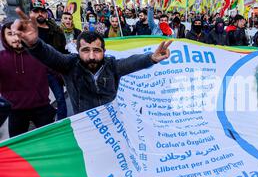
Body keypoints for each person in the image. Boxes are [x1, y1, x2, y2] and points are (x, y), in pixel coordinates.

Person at [12, 8, 173, 115]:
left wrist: (151, 58)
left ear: (104, 51)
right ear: (77, 50)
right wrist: (34, 43)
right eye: (85, 50)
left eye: (96, 50)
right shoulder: (70, 66)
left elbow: (131, 62)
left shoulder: (112, 66)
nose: (91, 56)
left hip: (111, 126)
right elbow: (49, 55)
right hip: (84, 130)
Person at [0, 21, 55, 137]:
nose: (16, 38)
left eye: (19, 33)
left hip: (42, 109)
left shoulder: (40, 54)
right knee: (19, 148)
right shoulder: (1, 58)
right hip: (15, 111)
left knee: (51, 143)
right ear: (4, 37)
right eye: (10, 34)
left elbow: (60, 69)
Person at [29, 0, 67, 120]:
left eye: (42, 11)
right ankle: (46, 122)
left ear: (47, 14)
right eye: (36, 12)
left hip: (54, 71)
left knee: (60, 98)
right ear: (31, 13)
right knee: (39, 101)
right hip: (36, 72)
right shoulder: (28, 31)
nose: (39, 14)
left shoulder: (56, 30)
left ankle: (61, 123)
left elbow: (62, 49)